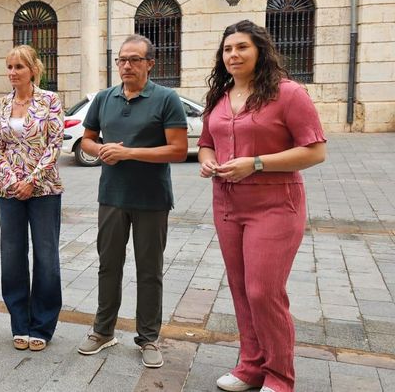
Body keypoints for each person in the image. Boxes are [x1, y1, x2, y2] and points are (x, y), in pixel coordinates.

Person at [198, 20, 326, 392]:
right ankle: (251, 366)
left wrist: (255, 163)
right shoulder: (220, 97)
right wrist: (208, 160)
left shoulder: (287, 93)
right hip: (226, 203)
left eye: (241, 47)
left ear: (260, 51)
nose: (233, 55)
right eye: (227, 49)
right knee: (240, 288)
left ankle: (280, 376)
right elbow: (207, 141)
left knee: (263, 290)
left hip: (275, 204)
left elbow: (316, 151)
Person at [76, 35, 188, 368]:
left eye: (135, 59)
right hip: (111, 196)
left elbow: (178, 150)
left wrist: (129, 152)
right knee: (108, 265)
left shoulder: (167, 99)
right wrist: (101, 151)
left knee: (149, 270)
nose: (126, 65)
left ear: (150, 63)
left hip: (152, 199)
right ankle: (103, 330)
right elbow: (86, 140)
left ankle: (149, 338)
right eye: (122, 60)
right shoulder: (104, 98)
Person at [0, 45, 64, 352]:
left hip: (44, 190)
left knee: (46, 257)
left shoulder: (50, 101)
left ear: (34, 69)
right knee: (12, 257)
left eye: (19, 66)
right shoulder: (0, 105)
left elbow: (55, 144)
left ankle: (43, 325)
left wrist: (32, 181)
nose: (12, 73)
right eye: (9, 67)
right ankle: (19, 322)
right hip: (8, 192)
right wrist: (12, 180)